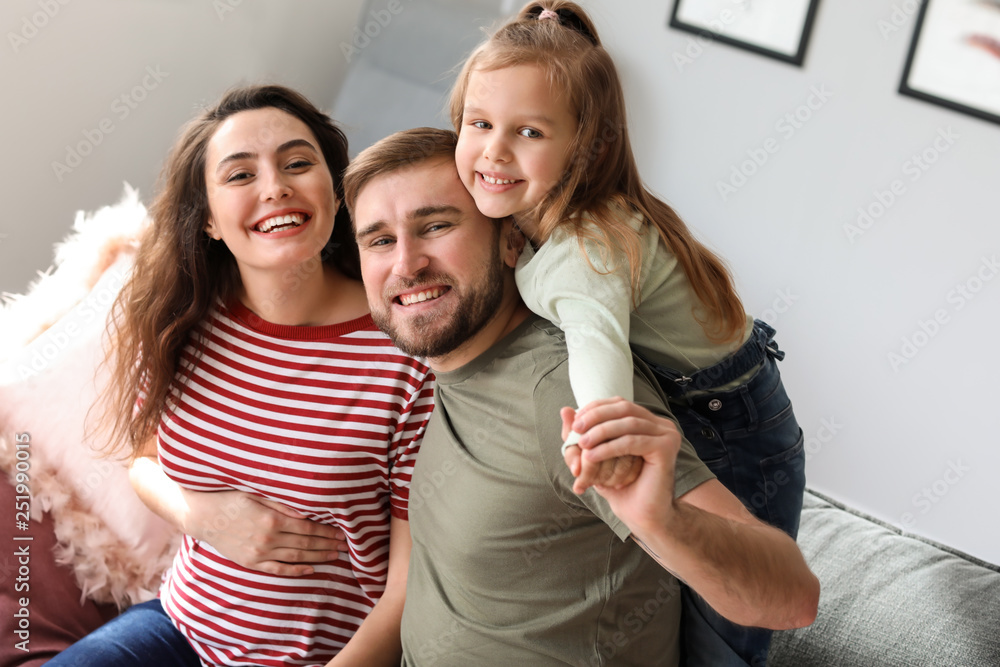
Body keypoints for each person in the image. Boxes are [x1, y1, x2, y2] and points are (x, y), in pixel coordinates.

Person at [342, 126, 818, 666]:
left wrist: (664, 520)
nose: (406, 263)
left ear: (510, 239)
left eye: (436, 225)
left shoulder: (562, 387)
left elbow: (792, 597)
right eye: (379, 240)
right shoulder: (450, 367)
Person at [448, 3, 807, 663]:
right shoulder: (537, 215)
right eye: (478, 122)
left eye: (528, 131)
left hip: (736, 426)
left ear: (589, 147)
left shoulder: (586, 252)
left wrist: (599, 426)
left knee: (721, 628)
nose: (493, 150)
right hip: (706, 388)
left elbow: (596, 347)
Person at [49, 85, 434, 667]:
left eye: (298, 163)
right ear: (207, 219)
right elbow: (143, 459)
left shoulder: (406, 359)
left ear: (335, 191)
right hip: (176, 628)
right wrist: (198, 516)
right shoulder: (186, 318)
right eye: (239, 175)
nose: (275, 186)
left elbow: (412, 586)